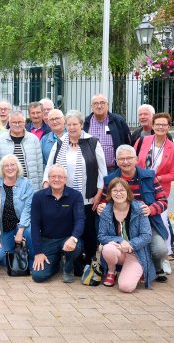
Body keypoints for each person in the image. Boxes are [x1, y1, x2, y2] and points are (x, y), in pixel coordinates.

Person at [43, 110, 106, 267]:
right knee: (68, 229)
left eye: (75, 124)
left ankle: (90, 259)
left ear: (81, 124)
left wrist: (99, 193)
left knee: (88, 230)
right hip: (64, 198)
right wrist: (46, 186)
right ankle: (72, 260)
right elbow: (49, 167)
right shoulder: (60, 143)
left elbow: (102, 171)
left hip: (88, 196)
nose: (71, 127)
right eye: (69, 124)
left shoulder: (93, 142)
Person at [98, 145, 170, 282]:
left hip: (148, 222)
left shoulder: (149, 176)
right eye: (121, 159)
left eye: (129, 158)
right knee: (112, 247)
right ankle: (122, 268)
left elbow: (163, 200)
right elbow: (104, 201)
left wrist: (151, 209)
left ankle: (156, 266)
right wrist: (102, 207)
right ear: (116, 161)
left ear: (136, 159)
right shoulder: (109, 180)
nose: (125, 162)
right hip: (121, 224)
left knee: (160, 249)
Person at [98, 178, 157, 292]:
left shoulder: (139, 208)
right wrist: (121, 241)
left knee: (126, 287)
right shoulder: (106, 211)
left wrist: (130, 244)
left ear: (128, 192)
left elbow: (147, 235)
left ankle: (136, 270)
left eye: (122, 190)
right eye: (115, 191)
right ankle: (111, 271)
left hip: (136, 254)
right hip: (118, 251)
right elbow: (102, 236)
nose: (118, 193)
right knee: (107, 248)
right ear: (110, 193)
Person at [136, 113, 174, 261]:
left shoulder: (173, 149)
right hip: (139, 187)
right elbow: (133, 161)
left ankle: (166, 254)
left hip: (159, 190)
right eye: (158, 124)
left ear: (168, 127)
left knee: (162, 222)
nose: (160, 127)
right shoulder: (142, 141)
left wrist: (157, 177)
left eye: (164, 125)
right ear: (153, 126)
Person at [30, 165, 84, 283]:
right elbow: (34, 225)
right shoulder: (38, 197)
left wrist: (74, 238)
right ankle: (55, 265)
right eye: (53, 176)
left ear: (65, 179)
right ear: (48, 179)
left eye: (60, 177)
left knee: (75, 247)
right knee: (38, 276)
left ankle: (68, 269)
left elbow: (80, 220)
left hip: (67, 239)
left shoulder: (75, 196)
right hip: (48, 240)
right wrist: (38, 253)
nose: (56, 179)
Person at [0, 111, 43, 189]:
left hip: (31, 186)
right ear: (9, 123)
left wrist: (40, 186)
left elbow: (39, 165)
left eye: (20, 122)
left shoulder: (34, 139)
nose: (17, 125)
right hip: (7, 186)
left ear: (24, 122)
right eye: (14, 122)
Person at [0, 154, 35, 258]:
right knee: (4, 258)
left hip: (23, 224)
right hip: (5, 228)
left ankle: (32, 260)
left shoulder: (26, 183)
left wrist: (21, 230)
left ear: (17, 167)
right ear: (2, 169)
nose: (10, 168)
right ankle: (21, 253)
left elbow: (28, 209)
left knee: (31, 233)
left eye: (12, 165)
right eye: (6, 166)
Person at [83, 94, 132, 171]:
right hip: (91, 171)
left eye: (102, 103)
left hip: (113, 170)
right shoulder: (85, 123)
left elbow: (128, 142)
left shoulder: (118, 121)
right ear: (91, 106)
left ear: (108, 105)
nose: (99, 106)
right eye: (96, 103)